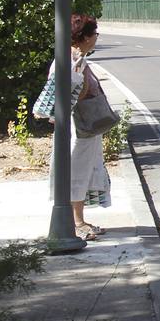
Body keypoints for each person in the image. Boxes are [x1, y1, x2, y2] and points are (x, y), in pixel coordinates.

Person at [35, 14, 111, 240]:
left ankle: (80, 219)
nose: (96, 38)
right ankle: (76, 223)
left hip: (83, 127)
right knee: (76, 171)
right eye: (95, 34)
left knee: (84, 170)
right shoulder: (70, 60)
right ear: (85, 37)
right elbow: (75, 93)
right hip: (77, 126)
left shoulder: (76, 58)